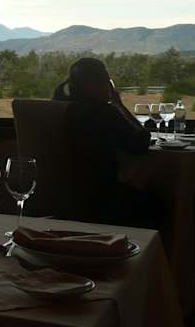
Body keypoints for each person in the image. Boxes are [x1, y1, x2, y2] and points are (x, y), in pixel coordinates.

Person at [52, 57, 159, 228]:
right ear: (96, 84)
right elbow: (141, 142)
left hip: (62, 196)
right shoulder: (104, 112)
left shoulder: (60, 108)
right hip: (102, 200)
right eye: (107, 81)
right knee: (161, 198)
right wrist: (120, 105)